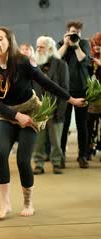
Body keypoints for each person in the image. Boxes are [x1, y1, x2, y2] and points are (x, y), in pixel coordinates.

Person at [0, 27, 85, 221]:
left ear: (9, 41)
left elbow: (45, 82)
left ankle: (28, 202)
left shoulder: (22, 61)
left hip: (31, 112)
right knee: (1, 153)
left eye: (0, 39)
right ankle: (5, 204)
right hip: (7, 114)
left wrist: (70, 99)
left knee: (23, 159)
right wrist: (15, 115)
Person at [32, 36, 69, 175]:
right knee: (38, 141)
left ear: (50, 49)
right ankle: (39, 164)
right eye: (37, 47)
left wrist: (61, 110)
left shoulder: (61, 65)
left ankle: (57, 163)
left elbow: (65, 89)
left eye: (41, 47)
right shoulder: (34, 65)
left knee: (56, 140)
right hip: (38, 109)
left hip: (55, 107)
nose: (38, 49)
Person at [58, 20, 91, 168]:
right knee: (63, 125)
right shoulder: (61, 44)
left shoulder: (83, 44)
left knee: (81, 124)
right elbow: (55, 59)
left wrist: (76, 45)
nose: (74, 35)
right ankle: (61, 156)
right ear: (67, 32)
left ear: (80, 33)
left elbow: (83, 60)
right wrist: (66, 44)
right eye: (72, 33)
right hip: (64, 90)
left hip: (82, 90)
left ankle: (82, 155)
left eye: (77, 33)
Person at [87, 32, 101, 160]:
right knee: (90, 124)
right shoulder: (90, 57)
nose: (97, 47)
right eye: (95, 44)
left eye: (99, 45)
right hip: (93, 97)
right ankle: (90, 148)